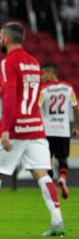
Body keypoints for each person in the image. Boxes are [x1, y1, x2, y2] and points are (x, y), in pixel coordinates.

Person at [0, 22, 66, 237]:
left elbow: (9, 97)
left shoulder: (8, 62)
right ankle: (57, 220)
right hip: (35, 127)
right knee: (42, 173)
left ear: (6, 39)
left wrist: (6, 129)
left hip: (15, 127)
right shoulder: (34, 63)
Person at [39, 63, 79, 199]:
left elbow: (37, 108)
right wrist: (76, 127)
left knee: (47, 160)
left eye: (43, 73)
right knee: (63, 158)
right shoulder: (68, 88)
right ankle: (62, 178)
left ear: (51, 73)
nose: (41, 77)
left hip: (48, 131)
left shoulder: (43, 90)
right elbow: (76, 107)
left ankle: (50, 186)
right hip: (63, 130)